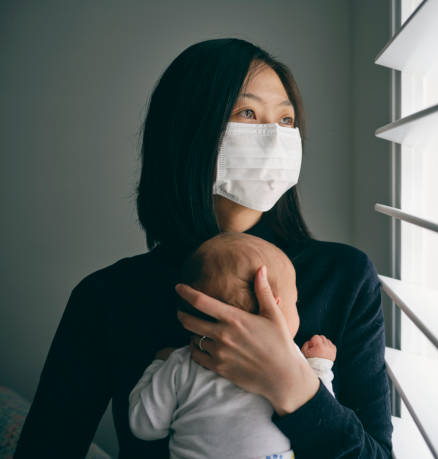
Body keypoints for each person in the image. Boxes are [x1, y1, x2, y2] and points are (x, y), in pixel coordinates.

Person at [15, 38, 392, 458]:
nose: (274, 134)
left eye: (286, 120)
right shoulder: (107, 297)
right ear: (189, 129)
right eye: (248, 113)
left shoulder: (345, 276)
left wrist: (293, 384)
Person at [128, 232, 337, 459]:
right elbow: (323, 419)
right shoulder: (292, 360)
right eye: (295, 302)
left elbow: (145, 426)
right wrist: (319, 365)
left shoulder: (181, 364)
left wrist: (159, 363)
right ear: (272, 306)